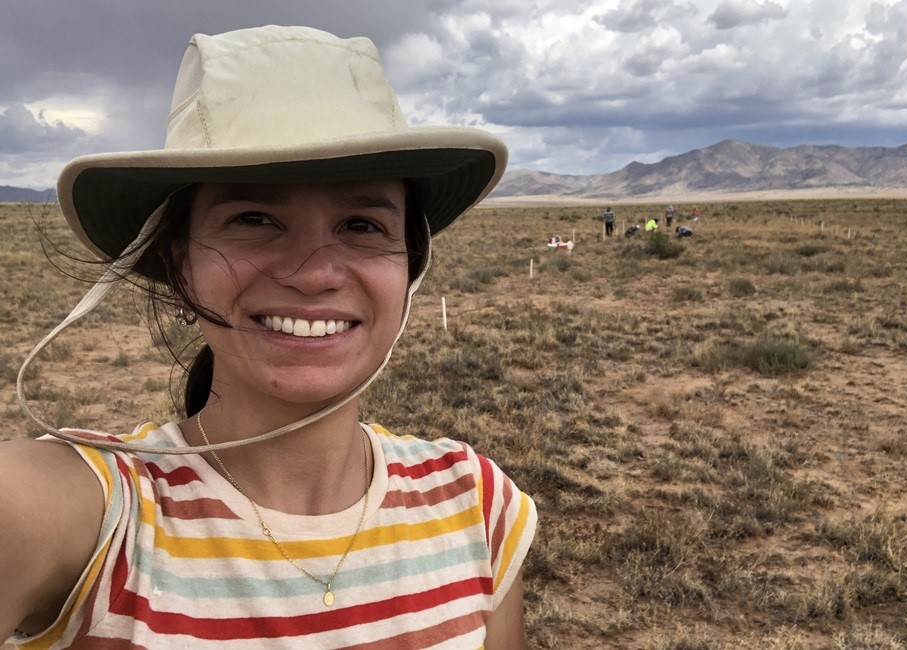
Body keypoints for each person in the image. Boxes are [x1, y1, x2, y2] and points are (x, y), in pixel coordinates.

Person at [1, 26, 536, 648]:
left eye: (361, 224)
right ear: (180, 271)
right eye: (253, 220)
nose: (313, 273)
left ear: (408, 269)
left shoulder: (477, 505)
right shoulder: (91, 518)